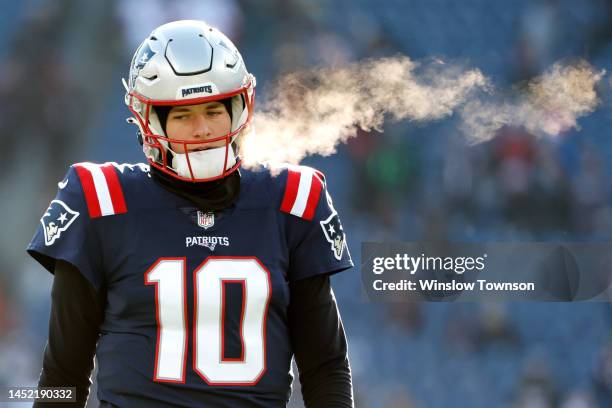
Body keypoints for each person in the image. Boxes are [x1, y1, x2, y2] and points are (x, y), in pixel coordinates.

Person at [27, 20, 354, 407]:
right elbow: (63, 374)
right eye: (182, 115)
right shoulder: (100, 201)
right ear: (149, 121)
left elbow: (325, 367)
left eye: (214, 110)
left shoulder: (291, 202)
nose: (202, 130)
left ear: (239, 108)